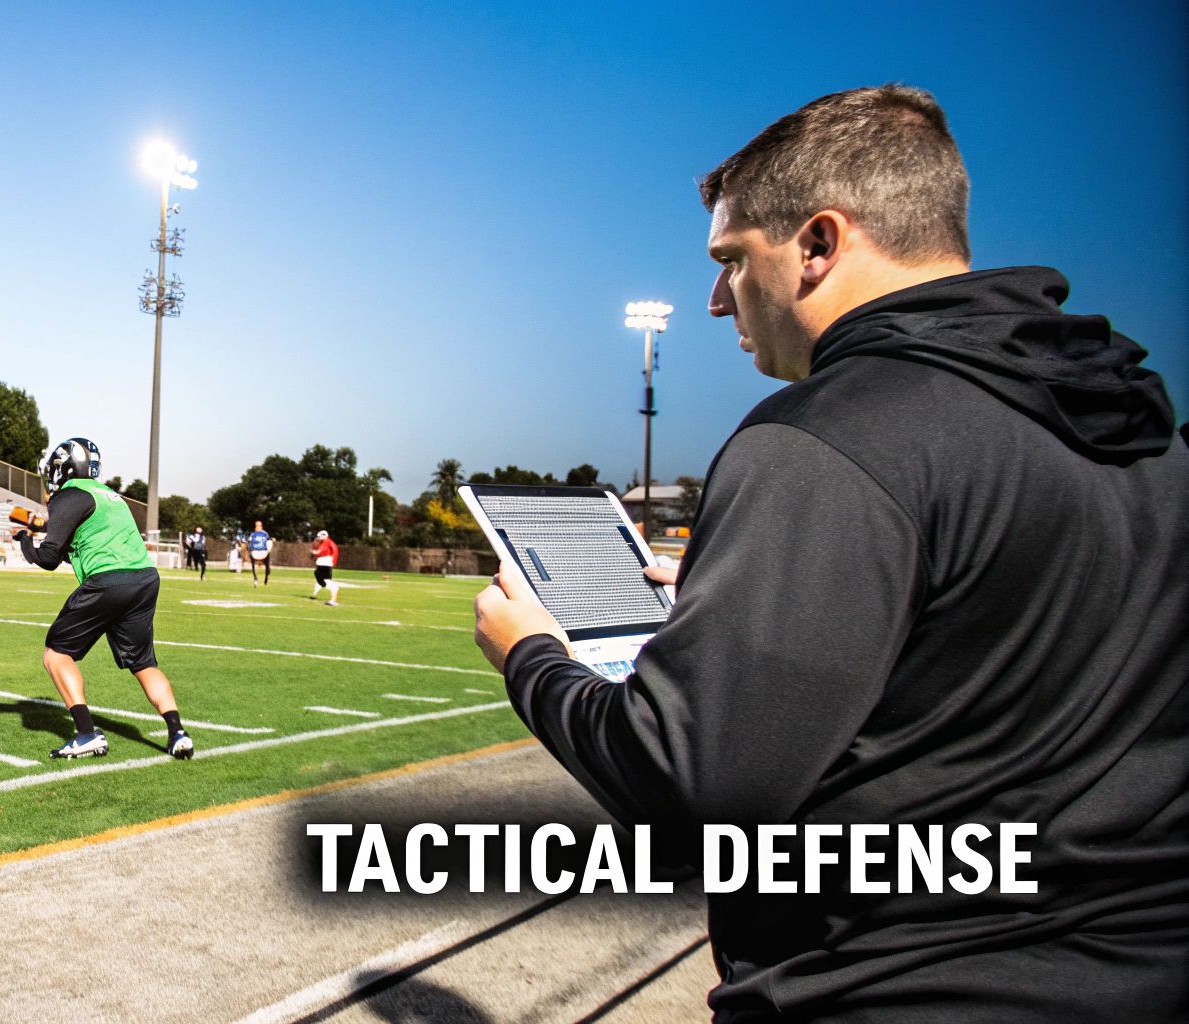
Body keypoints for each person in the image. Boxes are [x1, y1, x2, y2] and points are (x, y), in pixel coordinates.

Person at [473, 85, 1187, 1020]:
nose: (715, 296)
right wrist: (810, 591)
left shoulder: (826, 437)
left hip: (904, 985)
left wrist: (531, 657)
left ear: (819, 243)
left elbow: (690, 799)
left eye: (732, 260)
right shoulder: (1142, 434)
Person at [14, 437, 192, 761]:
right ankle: (178, 732)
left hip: (109, 582)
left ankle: (86, 733)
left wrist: (26, 542)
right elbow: (80, 549)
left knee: (56, 654)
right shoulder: (111, 496)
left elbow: (50, 557)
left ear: (65, 467)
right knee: (144, 662)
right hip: (144, 579)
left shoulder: (69, 495)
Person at [308, 529, 340, 605]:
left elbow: (319, 552)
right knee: (327, 583)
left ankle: (330, 599)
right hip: (325, 565)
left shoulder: (326, 542)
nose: (318, 538)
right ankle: (332, 600)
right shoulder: (327, 542)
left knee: (324, 581)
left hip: (323, 566)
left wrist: (313, 552)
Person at [246, 519, 272, 586]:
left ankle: (266, 577)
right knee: (252, 563)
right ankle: (255, 578)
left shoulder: (265, 534)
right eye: (256, 525)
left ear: (261, 526)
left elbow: (269, 542)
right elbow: (249, 542)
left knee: (267, 564)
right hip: (255, 551)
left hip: (263, 551)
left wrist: (268, 550)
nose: (257, 527)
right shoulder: (253, 534)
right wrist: (249, 549)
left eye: (259, 525)